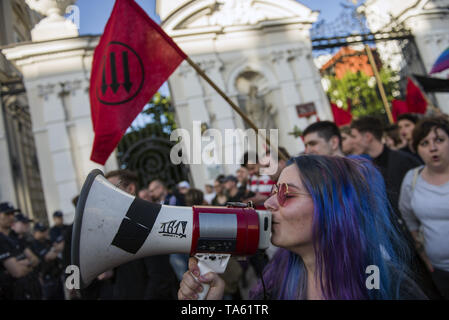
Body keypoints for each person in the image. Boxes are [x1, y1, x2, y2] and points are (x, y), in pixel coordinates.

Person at [178, 155, 427, 300]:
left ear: (333, 207)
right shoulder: (275, 282)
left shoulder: (390, 288)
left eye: (287, 194)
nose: (269, 202)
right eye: (274, 191)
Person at [105, 170, 178, 300]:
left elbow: (160, 278)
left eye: (112, 189)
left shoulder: (149, 222)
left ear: (130, 188)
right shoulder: (118, 224)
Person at [399, 116, 449, 299]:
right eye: (424, 143)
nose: (433, 148)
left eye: (439, 140)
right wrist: (424, 256)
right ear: (416, 149)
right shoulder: (411, 180)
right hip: (440, 272)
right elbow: (408, 218)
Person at [0, 202, 42, 299]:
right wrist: (27, 264)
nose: (11, 217)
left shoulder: (15, 238)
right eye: (7, 214)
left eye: (12, 214)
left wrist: (22, 263)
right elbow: (17, 272)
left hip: (27, 290)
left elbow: (35, 260)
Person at [31, 223, 65, 300]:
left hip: (56, 276)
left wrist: (55, 250)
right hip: (45, 278)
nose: (44, 233)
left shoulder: (47, 241)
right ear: (35, 233)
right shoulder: (34, 244)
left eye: (45, 230)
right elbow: (48, 257)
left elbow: (58, 249)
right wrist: (56, 250)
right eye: (41, 231)